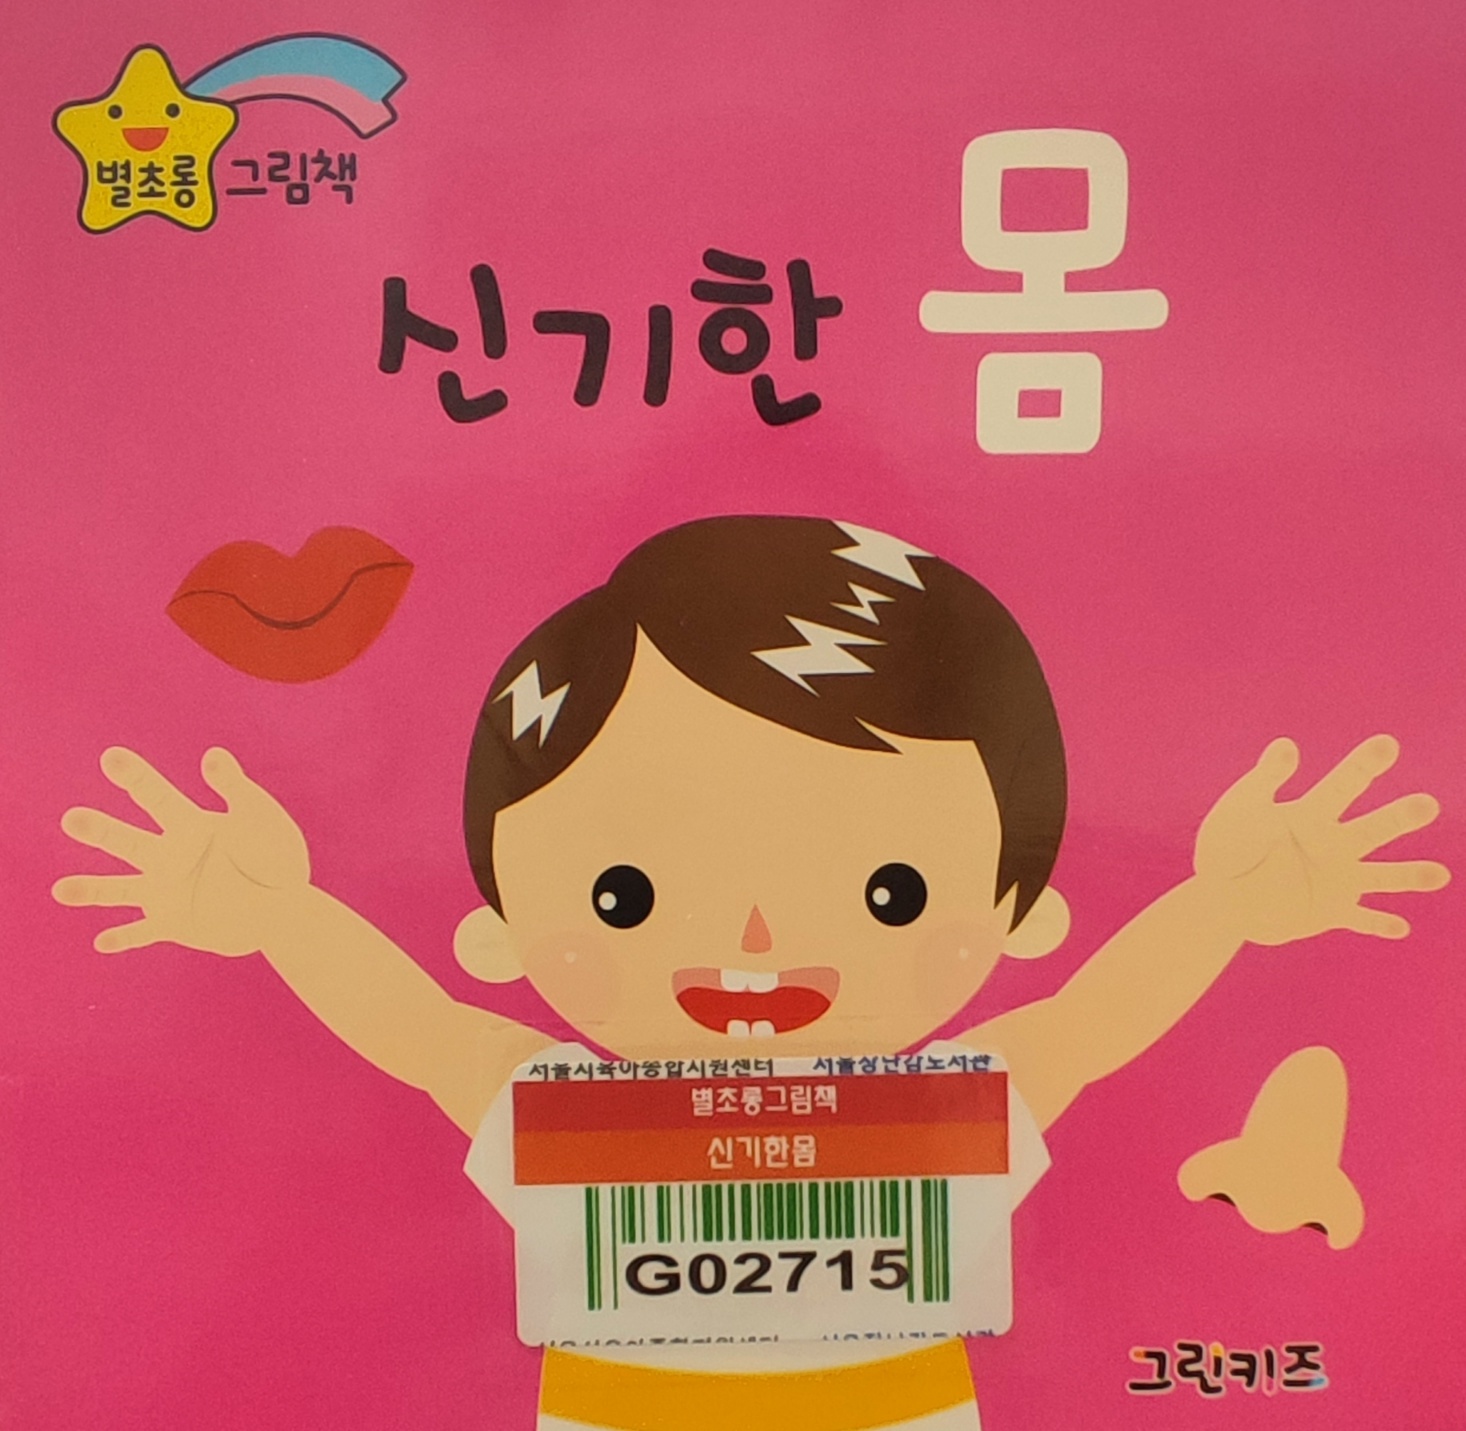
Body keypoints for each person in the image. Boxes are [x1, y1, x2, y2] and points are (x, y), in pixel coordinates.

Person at [54, 515, 1448, 1431]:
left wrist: (1220, 907)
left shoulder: (946, 1103)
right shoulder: (567, 1111)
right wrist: (283, 918)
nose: (760, 945)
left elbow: (1089, 1024)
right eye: (623, 897)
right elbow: (420, 1032)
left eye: (892, 893)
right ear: (497, 926)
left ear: (1022, 909)